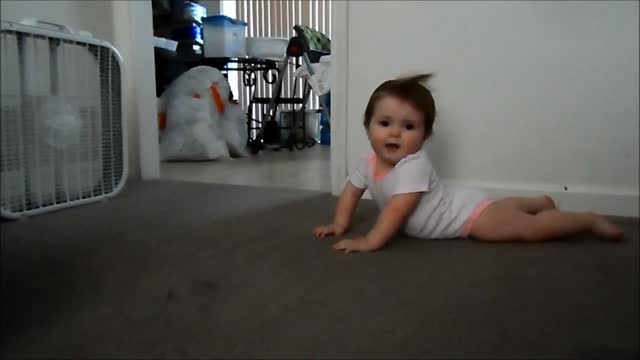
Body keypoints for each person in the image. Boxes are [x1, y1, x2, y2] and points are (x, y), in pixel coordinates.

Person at [313, 74, 624, 253]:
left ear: (425, 134)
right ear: (367, 125)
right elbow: (352, 191)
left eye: (409, 127)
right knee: (503, 210)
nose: (395, 132)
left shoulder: (413, 165)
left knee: (526, 229)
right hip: (460, 198)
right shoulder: (367, 163)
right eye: (384, 123)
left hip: (465, 218)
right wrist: (340, 224)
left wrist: (370, 240)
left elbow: (396, 210)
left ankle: (587, 219)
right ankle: (537, 201)